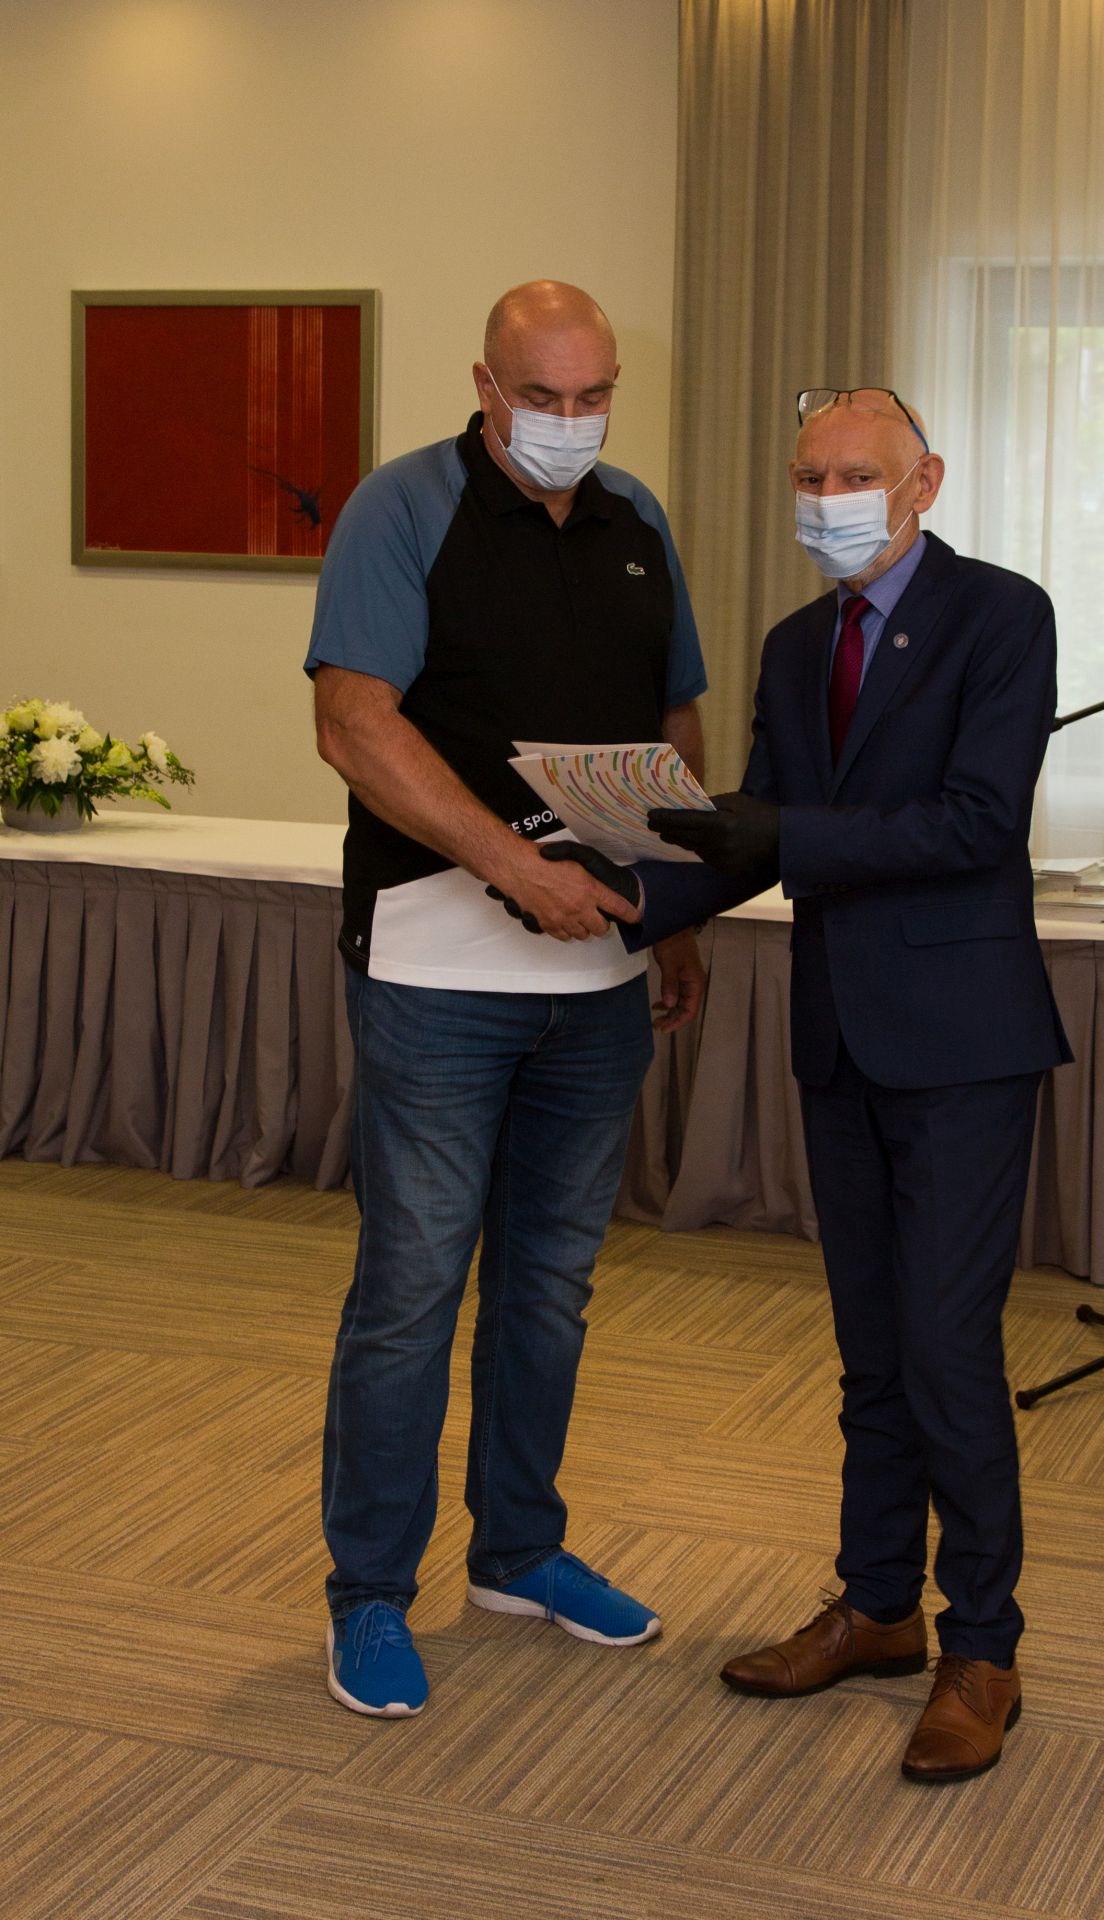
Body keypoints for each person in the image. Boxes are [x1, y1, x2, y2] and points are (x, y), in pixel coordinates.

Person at [505, 388, 1072, 1782]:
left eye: (856, 474)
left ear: (925, 481)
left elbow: (976, 824)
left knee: (947, 1351)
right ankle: (877, 1606)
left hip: (964, 1043)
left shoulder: (1003, 616)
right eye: (809, 477)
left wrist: (773, 830)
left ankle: (983, 1646)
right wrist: (617, 892)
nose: (829, 500)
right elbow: (750, 839)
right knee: (871, 1350)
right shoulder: (793, 642)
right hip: (841, 1038)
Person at [305, 280, 708, 1717]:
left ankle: (519, 1551)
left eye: (593, 396)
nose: (570, 421)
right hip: (437, 969)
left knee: (549, 1284)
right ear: (485, 385)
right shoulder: (402, 509)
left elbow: (670, 719)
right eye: (542, 397)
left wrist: (677, 911)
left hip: (598, 979)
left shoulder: (636, 518)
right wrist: (511, 868)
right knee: (412, 1289)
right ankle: (369, 1591)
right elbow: (353, 722)